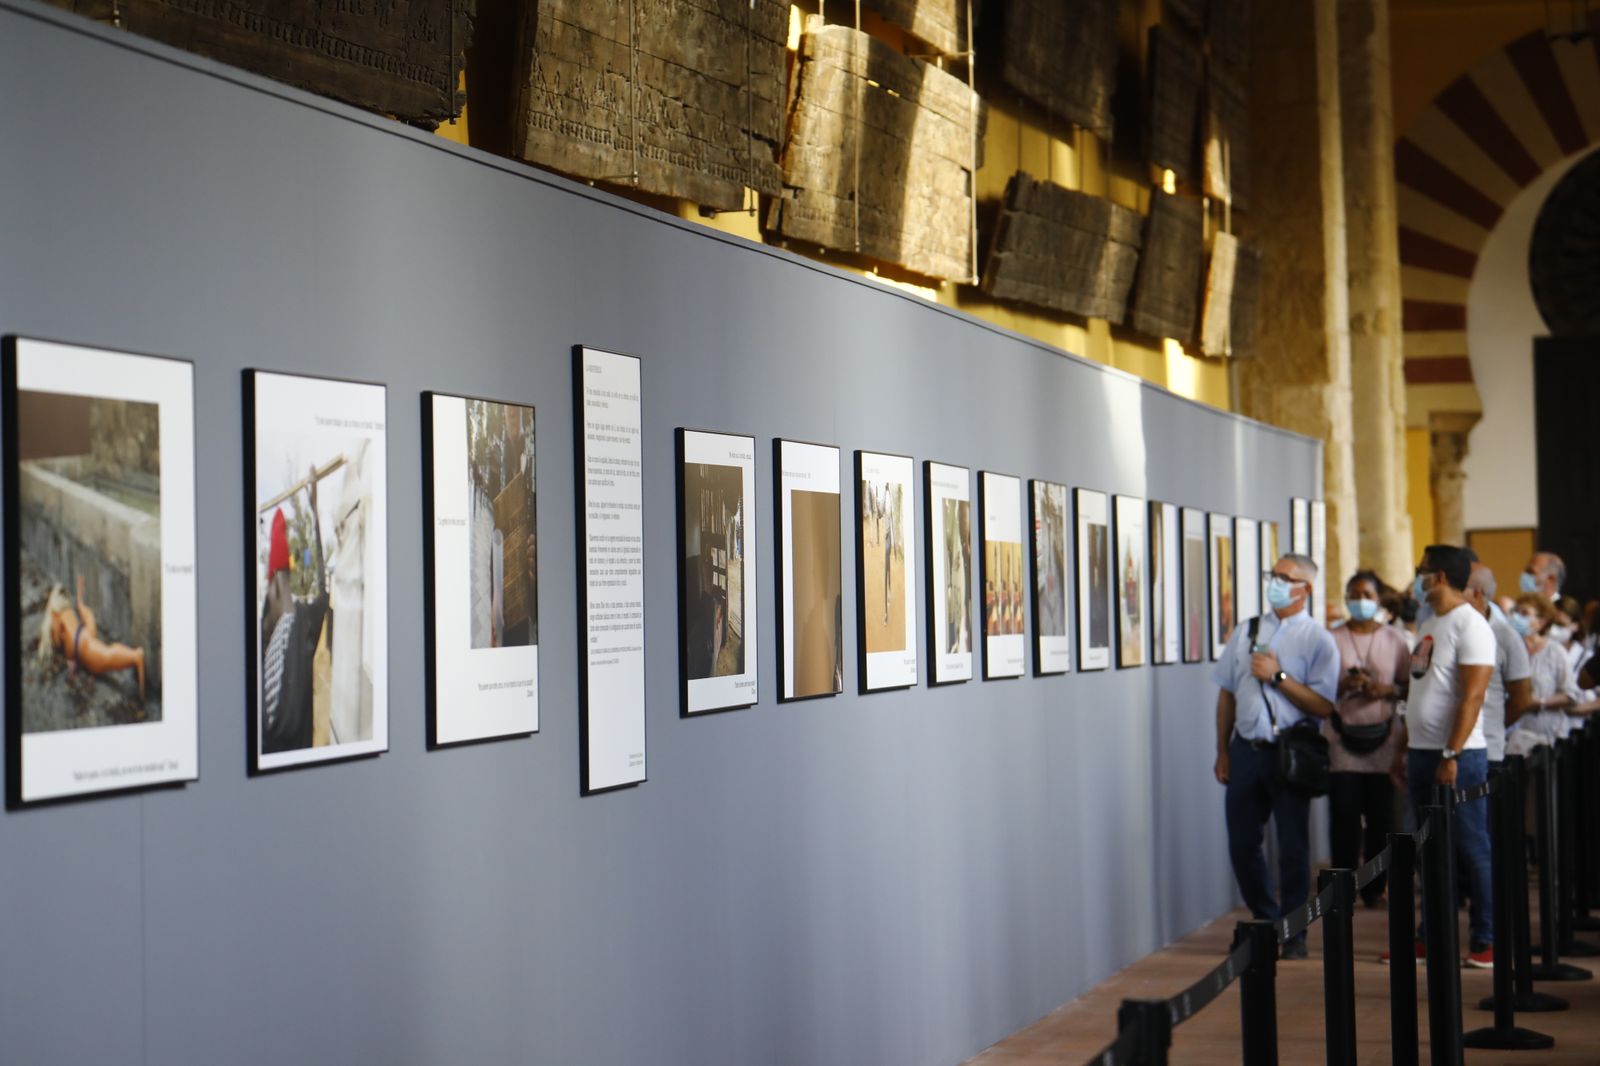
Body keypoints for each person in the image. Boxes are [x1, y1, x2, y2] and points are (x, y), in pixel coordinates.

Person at [1213, 553, 1338, 959]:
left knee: (1293, 847)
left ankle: (1294, 930)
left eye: (1285, 577)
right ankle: (1265, 919)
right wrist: (1222, 749)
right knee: (1242, 842)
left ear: (1305, 589)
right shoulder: (1247, 630)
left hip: (1290, 753)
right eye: (1273, 575)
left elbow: (1323, 706)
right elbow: (1227, 694)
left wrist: (1279, 677)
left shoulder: (1318, 640)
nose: (1275, 582)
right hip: (1246, 750)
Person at [1391, 545, 1495, 967]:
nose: (1419, 577)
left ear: (1442, 577)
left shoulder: (1471, 625)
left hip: (1459, 755)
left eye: (1424, 571)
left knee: (1471, 848)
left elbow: (1472, 696)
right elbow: (1420, 689)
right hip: (1421, 751)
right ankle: (1430, 934)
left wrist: (1451, 753)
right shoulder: (1430, 623)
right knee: (1429, 850)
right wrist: (1403, 747)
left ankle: (1485, 939)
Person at [1326, 570, 1408, 907]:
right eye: (1355, 594)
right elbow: (1317, 687)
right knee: (1344, 816)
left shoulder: (1395, 639)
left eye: (1367, 595)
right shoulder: (1331, 638)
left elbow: (1410, 686)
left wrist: (1385, 690)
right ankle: (1341, 886)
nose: (1361, 600)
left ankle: (1375, 886)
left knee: (1381, 817)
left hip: (1384, 738)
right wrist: (1343, 686)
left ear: (1378, 599)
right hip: (1342, 738)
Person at [260, 469, 329, 754]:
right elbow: (323, 588)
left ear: (275, 585)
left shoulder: (283, 633)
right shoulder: (304, 623)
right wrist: (314, 510)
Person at [36, 573, 147, 703]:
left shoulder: (57, 617)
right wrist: (79, 599)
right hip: (84, 633)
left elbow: (57, 642)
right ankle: (80, 601)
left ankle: (136, 656)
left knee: (107, 655)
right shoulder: (67, 611)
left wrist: (55, 643)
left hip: (82, 644)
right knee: (104, 648)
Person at [1464, 564, 1532, 766]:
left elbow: (1521, 699)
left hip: (1486, 748)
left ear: (1477, 593)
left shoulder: (1505, 636)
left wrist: (1491, 726)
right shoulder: (1444, 626)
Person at [1505, 593, 1581, 755]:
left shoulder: (1555, 652)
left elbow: (1571, 695)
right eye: (1516, 612)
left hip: (1547, 739)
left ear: (1541, 622)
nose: (1517, 617)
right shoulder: (1508, 649)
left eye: (1524, 613)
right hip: (1511, 737)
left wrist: (1539, 703)